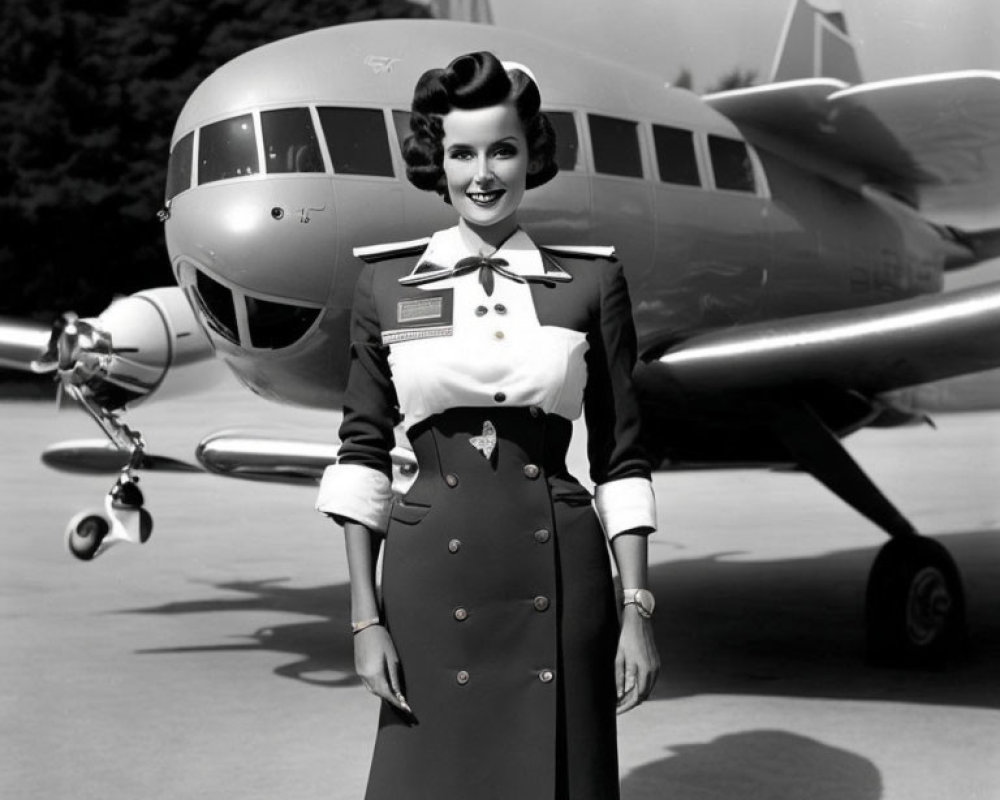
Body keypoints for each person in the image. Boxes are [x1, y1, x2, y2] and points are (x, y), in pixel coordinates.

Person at [316, 50, 659, 800]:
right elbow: (361, 457)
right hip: (430, 582)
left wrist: (636, 608)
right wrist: (363, 620)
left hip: (561, 576)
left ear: (531, 156)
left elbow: (621, 459)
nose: (483, 173)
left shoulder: (591, 283)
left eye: (502, 149)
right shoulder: (387, 284)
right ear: (435, 162)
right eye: (462, 152)